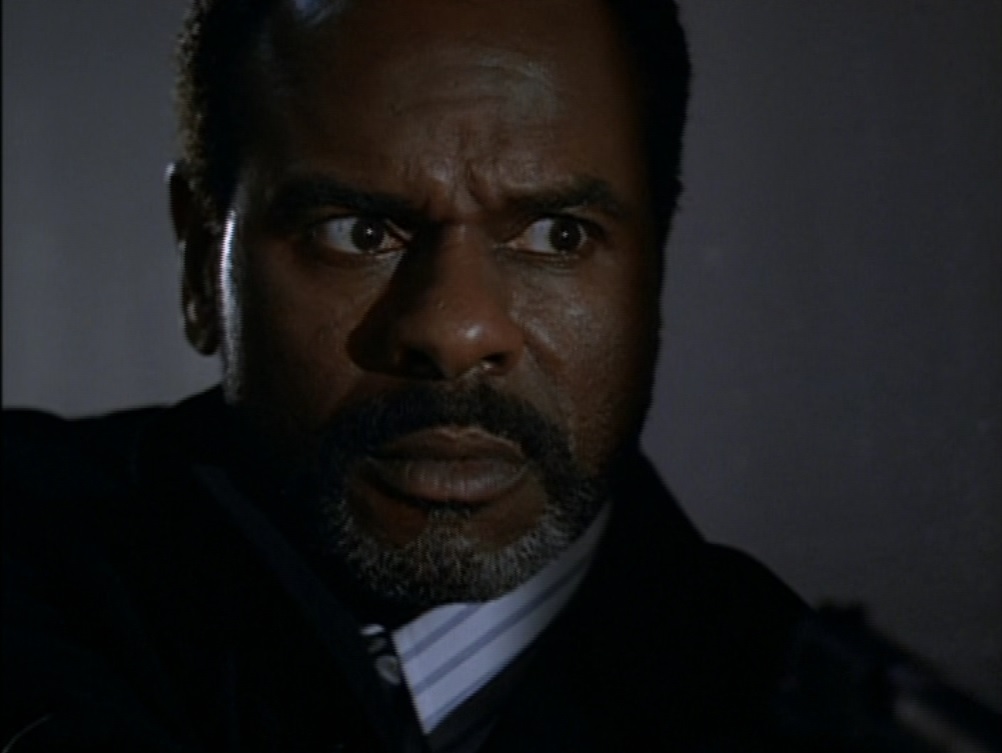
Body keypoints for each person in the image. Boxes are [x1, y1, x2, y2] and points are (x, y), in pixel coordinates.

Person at [1, 0, 809, 750]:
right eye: (357, 233)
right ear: (199, 260)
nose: (454, 333)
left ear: (654, 265)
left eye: (559, 235)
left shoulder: (797, 704)